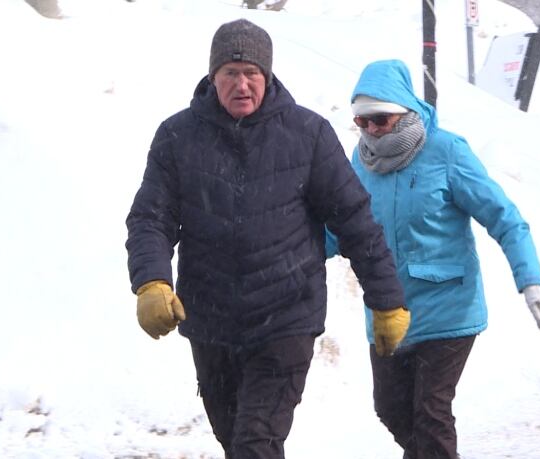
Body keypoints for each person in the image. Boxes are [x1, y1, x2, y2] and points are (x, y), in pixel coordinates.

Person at [125, 20, 410, 459]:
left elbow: (354, 220)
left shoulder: (308, 135)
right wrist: (151, 281)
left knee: (255, 443)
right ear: (212, 77)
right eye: (230, 73)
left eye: (251, 73)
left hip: (285, 319)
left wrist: (387, 299)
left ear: (268, 76)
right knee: (235, 442)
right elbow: (151, 218)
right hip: (212, 323)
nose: (241, 84)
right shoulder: (177, 137)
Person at [326, 59, 540, 459]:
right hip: (387, 310)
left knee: (431, 412)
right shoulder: (360, 162)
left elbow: (503, 216)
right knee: (392, 409)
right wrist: (291, 263)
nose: (372, 131)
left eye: (380, 119)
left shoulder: (446, 151)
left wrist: (530, 279)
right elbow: (338, 225)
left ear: (404, 110)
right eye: (362, 123)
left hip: (448, 308)